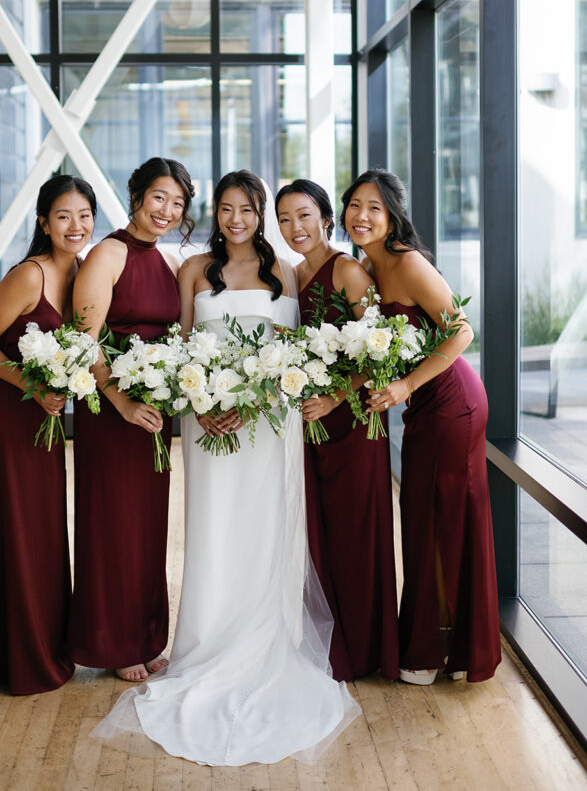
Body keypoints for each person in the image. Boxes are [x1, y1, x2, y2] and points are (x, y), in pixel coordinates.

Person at [92, 170, 359, 766]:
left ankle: (263, 640)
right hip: (207, 418)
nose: (236, 218)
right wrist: (203, 404)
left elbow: (295, 350)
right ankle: (204, 642)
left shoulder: (286, 272)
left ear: (260, 214)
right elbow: (185, 346)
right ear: (216, 213)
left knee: (263, 530)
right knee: (213, 529)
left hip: (268, 423)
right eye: (226, 208)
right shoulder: (192, 270)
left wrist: (262, 396)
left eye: (247, 209)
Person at [340, 168, 501, 684]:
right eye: (355, 205)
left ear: (392, 216)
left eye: (374, 208)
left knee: (439, 517)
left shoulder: (408, 265)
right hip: (424, 408)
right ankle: (447, 642)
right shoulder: (368, 265)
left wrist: (406, 386)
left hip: (452, 403)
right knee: (429, 516)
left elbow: (461, 330)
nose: (362, 216)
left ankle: (436, 651)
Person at [0, 174, 96, 694]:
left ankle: (42, 646)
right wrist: (33, 386)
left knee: (41, 532)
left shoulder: (83, 273)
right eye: (63, 216)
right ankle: (14, 658)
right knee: (16, 530)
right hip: (14, 415)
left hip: (47, 419)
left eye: (84, 216)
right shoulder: (29, 275)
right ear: (43, 222)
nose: (75, 225)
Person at [67, 157, 194, 683]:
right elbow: (84, 338)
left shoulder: (164, 260)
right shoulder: (109, 253)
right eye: (159, 197)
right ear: (137, 196)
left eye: (178, 203)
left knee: (147, 527)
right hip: (111, 413)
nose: (167, 210)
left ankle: (145, 635)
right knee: (113, 525)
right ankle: (113, 641)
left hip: (153, 415)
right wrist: (119, 401)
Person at [276, 178, 399, 682]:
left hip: (355, 420)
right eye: (284, 219)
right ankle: (333, 645)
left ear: (327, 218)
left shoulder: (347, 270)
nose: (295, 228)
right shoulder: (290, 275)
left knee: (357, 532)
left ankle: (367, 649)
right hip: (313, 424)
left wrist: (336, 396)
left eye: (304, 215)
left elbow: (381, 348)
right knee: (321, 533)